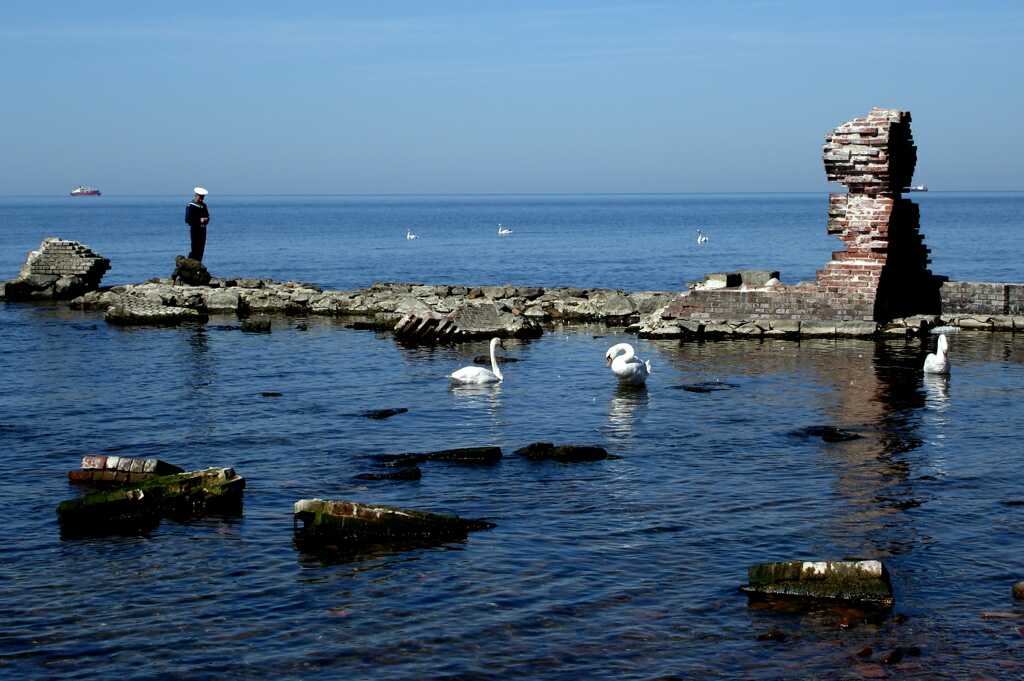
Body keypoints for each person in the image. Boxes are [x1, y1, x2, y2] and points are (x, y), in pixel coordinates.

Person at [185, 187, 210, 261]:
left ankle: (198, 263)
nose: (202, 199)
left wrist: (206, 219)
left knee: (201, 249)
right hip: (195, 229)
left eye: (203, 197)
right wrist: (199, 220)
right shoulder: (191, 206)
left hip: (203, 229)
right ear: (196, 195)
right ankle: (191, 262)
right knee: (195, 248)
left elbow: (207, 216)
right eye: (200, 197)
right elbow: (188, 219)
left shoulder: (204, 205)